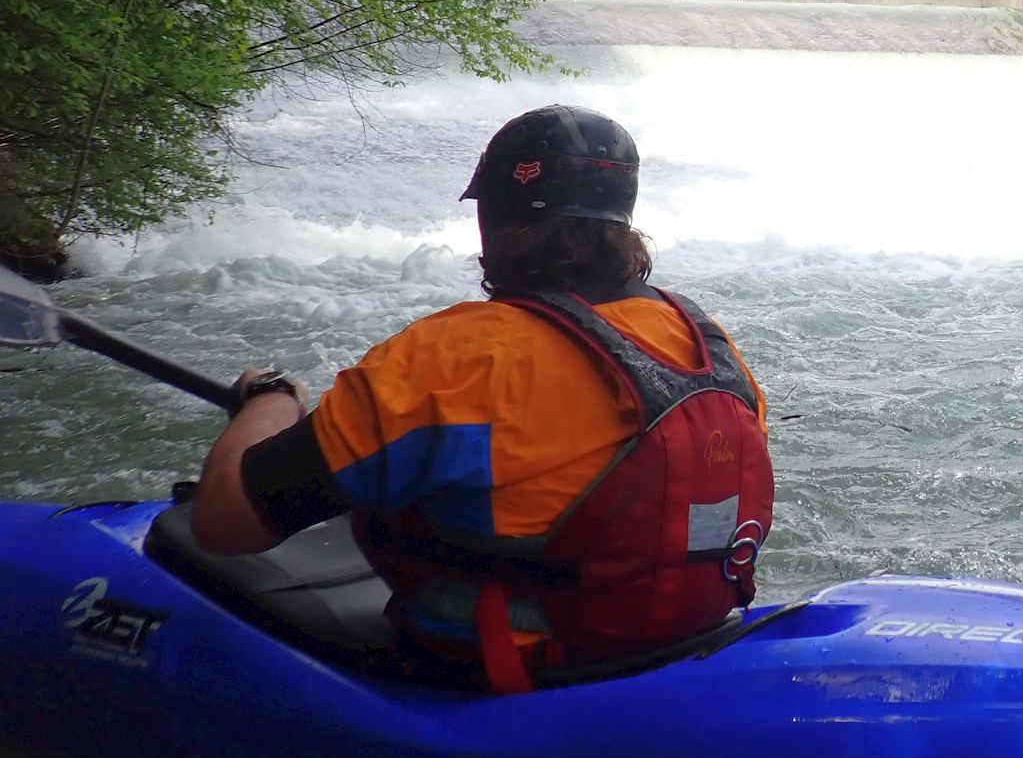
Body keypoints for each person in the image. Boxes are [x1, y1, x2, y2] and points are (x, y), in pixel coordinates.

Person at [189, 104, 774, 693]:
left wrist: (269, 399)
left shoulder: (455, 357)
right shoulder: (707, 344)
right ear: (622, 219)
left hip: (502, 673)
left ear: (495, 217)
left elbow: (224, 522)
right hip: (674, 647)